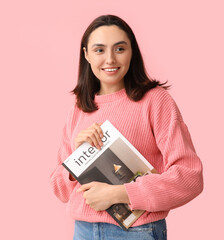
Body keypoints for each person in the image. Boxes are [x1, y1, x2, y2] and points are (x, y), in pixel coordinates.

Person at [50, 15, 203, 240]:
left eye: (119, 49)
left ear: (132, 51)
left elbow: (190, 178)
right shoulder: (79, 109)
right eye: (99, 50)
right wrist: (76, 157)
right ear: (86, 55)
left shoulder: (155, 101)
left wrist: (118, 194)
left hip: (136, 232)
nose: (110, 59)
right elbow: (59, 189)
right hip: (83, 231)